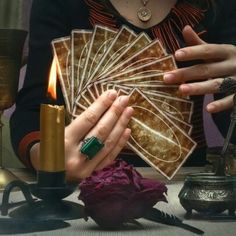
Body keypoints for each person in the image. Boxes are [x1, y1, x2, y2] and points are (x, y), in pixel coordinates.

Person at [10, 0, 236, 182]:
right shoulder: (61, 4)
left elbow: (229, 122)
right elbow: (33, 110)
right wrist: (47, 158)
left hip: (189, 186)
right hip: (85, 189)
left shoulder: (219, 6)